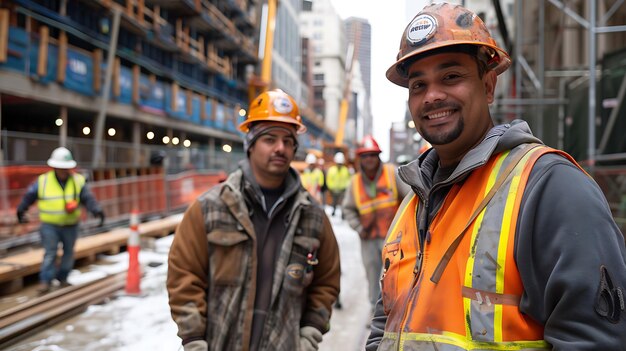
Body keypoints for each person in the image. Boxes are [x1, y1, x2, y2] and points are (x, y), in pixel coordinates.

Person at [367, 3, 626, 350]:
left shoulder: (549, 188)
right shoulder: (412, 205)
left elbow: (596, 339)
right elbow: (385, 324)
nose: (432, 96)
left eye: (451, 77)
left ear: (488, 85)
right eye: (418, 84)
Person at [167, 89, 340, 351]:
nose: (280, 148)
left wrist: (310, 333)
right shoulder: (210, 208)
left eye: (288, 140)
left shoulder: (312, 217)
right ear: (250, 143)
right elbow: (184, 275)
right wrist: (193, 339)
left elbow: (327, 281)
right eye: (269, 139)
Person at [16, 147, 105, 294]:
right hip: (50, 225)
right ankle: (46, 281)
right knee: (50, 253)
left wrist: (97, 210)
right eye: (61, 168)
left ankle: (62, 278)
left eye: (66, 168)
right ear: (54, 167)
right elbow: (29, 196)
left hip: (71, 225)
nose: (64, 171)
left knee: (68, 253)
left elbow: (87, 198)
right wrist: (21, 209)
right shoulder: (43, 181)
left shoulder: (77, 181)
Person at [342, 135, 409, 310]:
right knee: (373, 275)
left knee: (395, 274)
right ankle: (375, 309)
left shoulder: (392, 173)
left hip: (394, 237)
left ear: (378, 156)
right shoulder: (354, 183)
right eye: (365, 156)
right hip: (368, 238)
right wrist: (358, 227)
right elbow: (348, 209)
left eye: (372, 155)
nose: (369, 159)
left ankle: (395, 309)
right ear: (360, 159)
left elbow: (410, 199)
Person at [326, 152, 351, 217]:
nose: (339, 165)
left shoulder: (345, 170)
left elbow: (348, 180)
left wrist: (346, 188)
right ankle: (333, 212)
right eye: (338, 163)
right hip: (333, 189)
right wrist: (331, 188)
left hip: (343, 190)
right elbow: (329, 180)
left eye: (340, 163)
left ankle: (343, 215)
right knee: (334, 201)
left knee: (343, 202)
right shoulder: (332, 170)